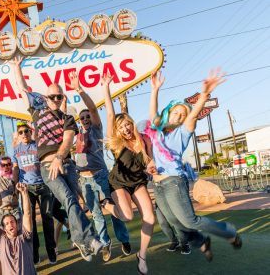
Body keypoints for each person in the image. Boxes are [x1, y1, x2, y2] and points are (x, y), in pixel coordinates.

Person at [12, 56, 103, 262]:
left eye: (59, 97)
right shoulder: (37, 112)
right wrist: (17, 67)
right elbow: (23, 87)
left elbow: (68, 140)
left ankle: (82, 242)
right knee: (68, 200)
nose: (55, 100)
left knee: (75, 205)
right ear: (46, 97)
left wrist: (60, 158)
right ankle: (87, 239)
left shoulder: (68, 119)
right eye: (52, 96)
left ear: (63, 98)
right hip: (47, 166)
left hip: (66, 164)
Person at [147, 68, 242, 263]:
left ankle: (228, 232)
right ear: (168, 112)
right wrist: (155, 89)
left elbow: (192, 115)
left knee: (189, 220)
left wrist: (205, 94)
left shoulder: (182, 132)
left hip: (174, 182)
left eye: (182, 115)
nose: (179, 116)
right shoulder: (157, 131)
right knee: (174, 221)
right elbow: (153, 114)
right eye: (176, 112)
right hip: (158, 185)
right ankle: (201, 241)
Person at [69, 71, 131, 262]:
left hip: (102, 176)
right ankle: (105, 243)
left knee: (114, 211)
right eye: (83, 118)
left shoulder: (96, 129)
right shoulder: (76, 136)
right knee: (96, 215)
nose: (86, 119)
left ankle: (124, 239)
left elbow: (94, 110)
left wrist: (79, 89)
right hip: (85, 180)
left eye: (87, 117)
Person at [103, 73, 156, 275]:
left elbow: (149, 161)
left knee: (149, 217)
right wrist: (106, 88)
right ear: (117, 130)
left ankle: (141, 256)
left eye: (127, 124)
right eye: (121, 126)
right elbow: (109, 114)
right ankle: (106, 204)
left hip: (137, 182)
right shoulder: (117, 144)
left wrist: (151, 168)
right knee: (126, 216)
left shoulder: (143, 140)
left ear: (131, 123)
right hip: (118, 183)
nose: (125, 128)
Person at [12, 121, 57, 264]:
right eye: (21, 132)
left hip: (43, 186)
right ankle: (34, 254)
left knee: (47, 219)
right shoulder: (15, 150)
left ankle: (51, 252)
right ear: (18, 135)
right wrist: (15, 186)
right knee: (29, 222)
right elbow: (15, 169)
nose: (24, 134)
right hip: (27, 189)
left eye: (26, 131)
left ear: (30, 132)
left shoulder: (38, 145)